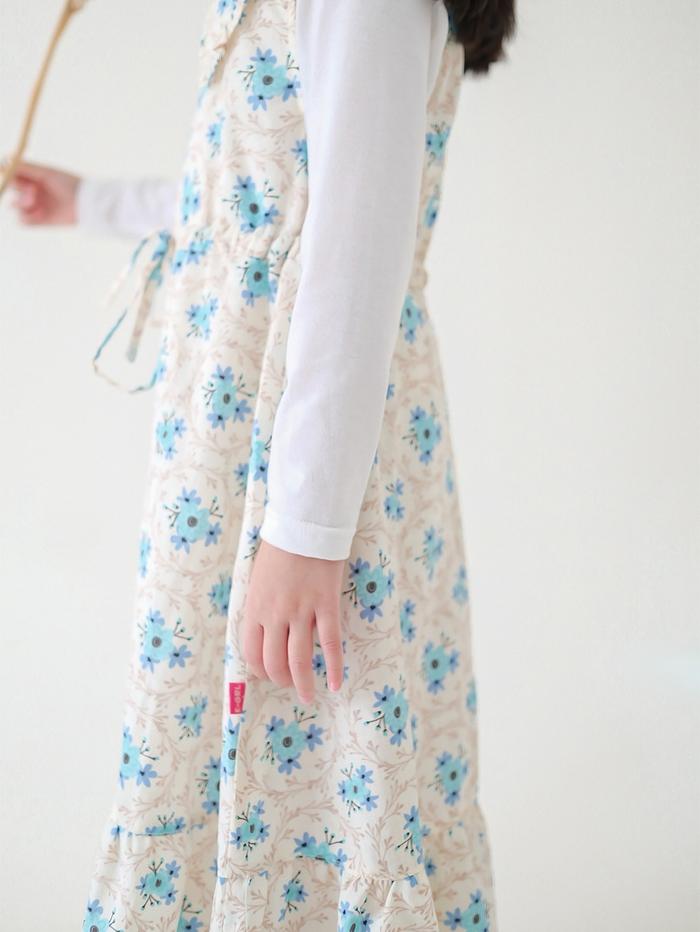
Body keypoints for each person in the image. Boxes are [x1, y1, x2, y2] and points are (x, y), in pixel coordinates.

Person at [9, 0, 515, 928]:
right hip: (242, 442)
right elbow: (245, 191)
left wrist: (306, 532)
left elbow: (355, 247)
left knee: (317, 751)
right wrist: (90, 202)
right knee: (225, 739)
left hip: (306, 458)